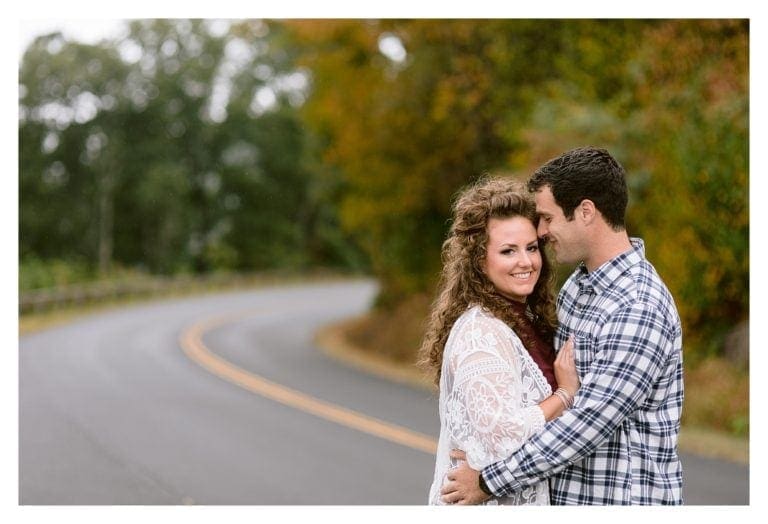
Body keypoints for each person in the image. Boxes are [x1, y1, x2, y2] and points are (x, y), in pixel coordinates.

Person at [440, 146, 684, 505]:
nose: (541, 232)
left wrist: (489, 481)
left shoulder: (638, 304)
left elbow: (589, 423)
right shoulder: (575, 290)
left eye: (547, 218)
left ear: (585, 212)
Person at [420, 177, 580, 505]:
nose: (526, 262)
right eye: (508, 251)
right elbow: (502, 436)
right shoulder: (481, 332)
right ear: (480, 260)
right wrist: (564, 395)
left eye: (531, 247)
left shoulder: (528, 320)